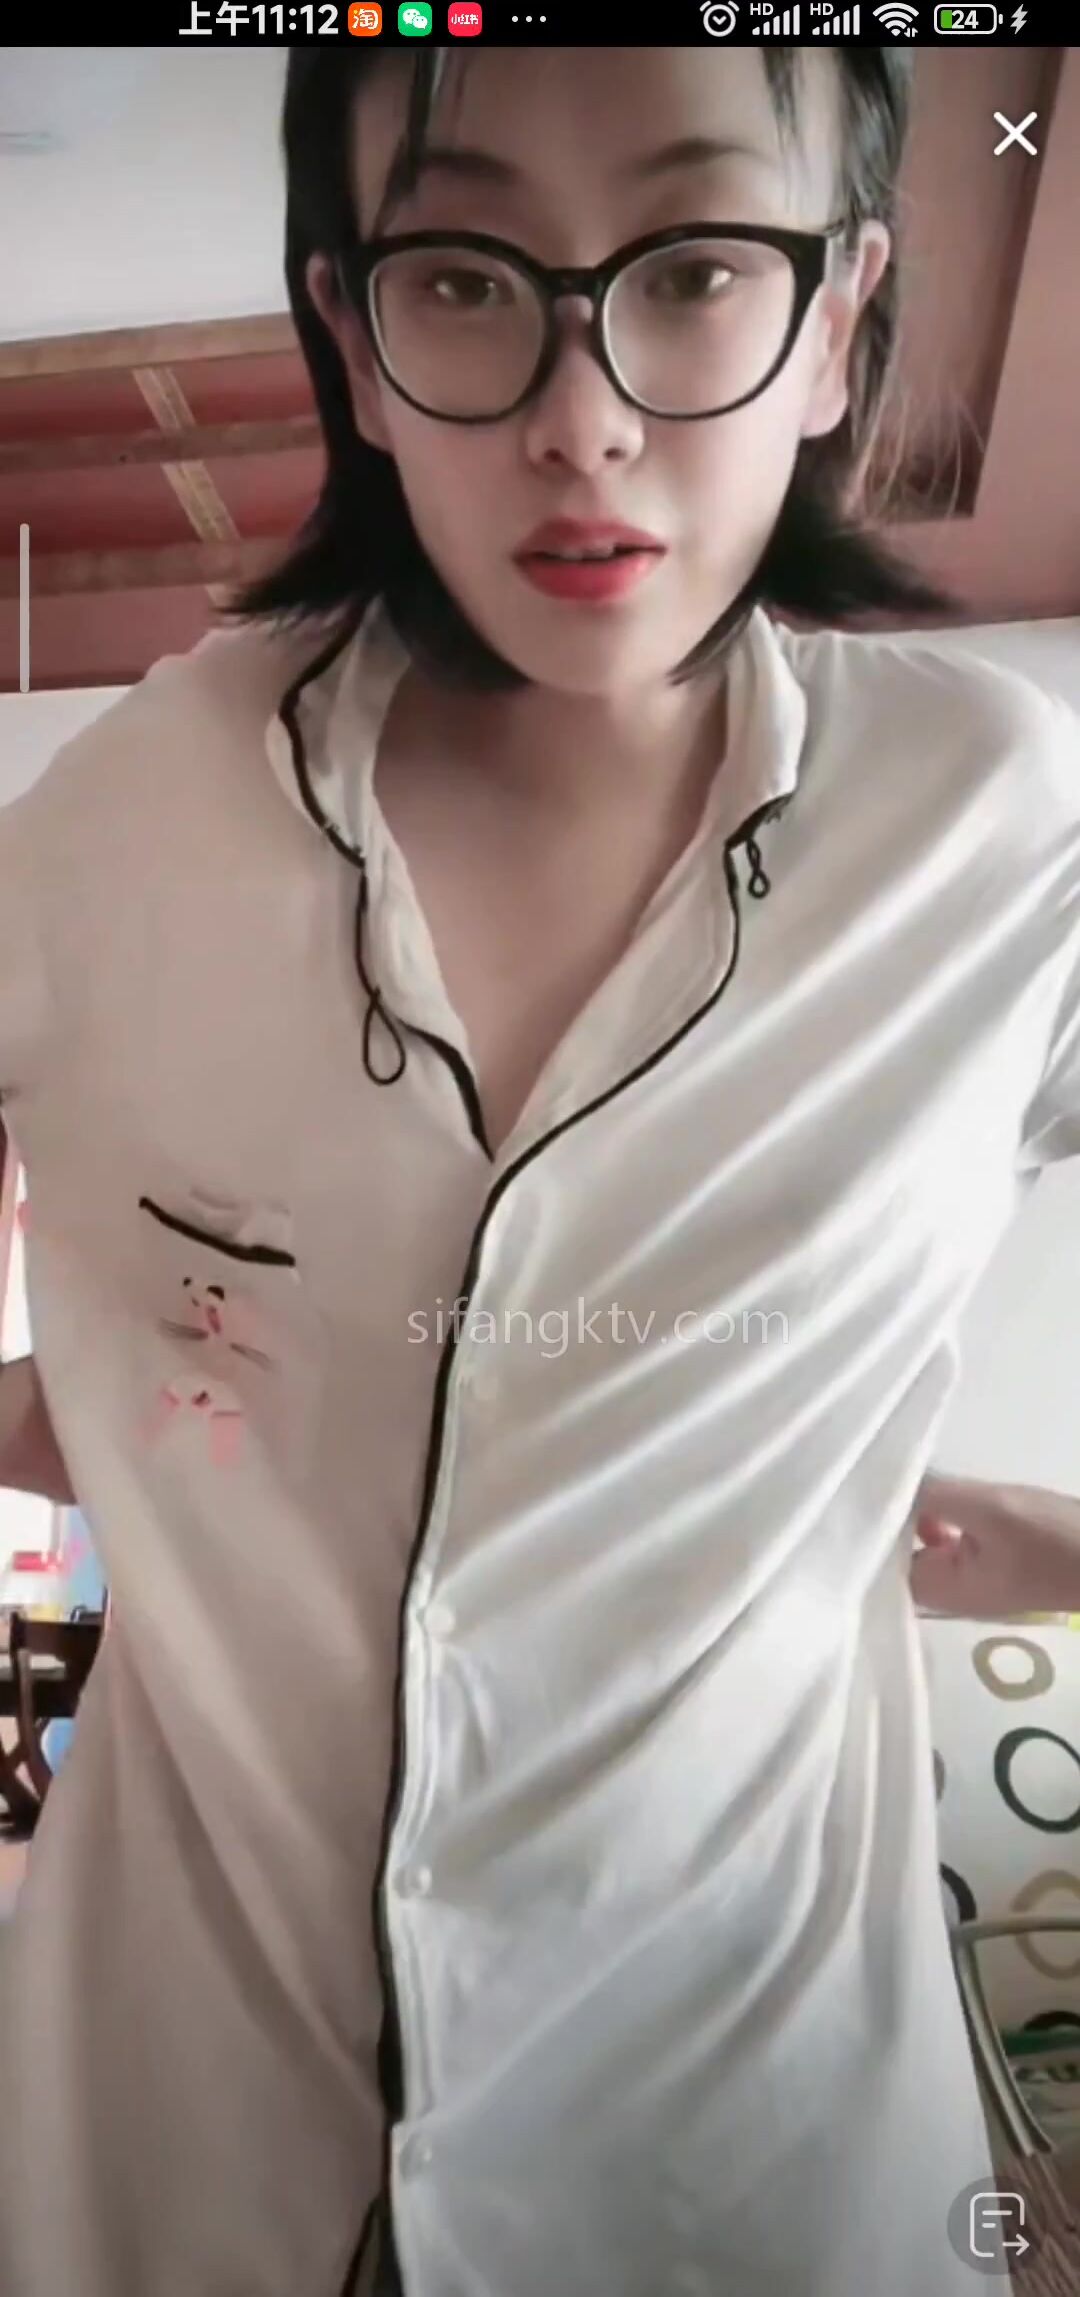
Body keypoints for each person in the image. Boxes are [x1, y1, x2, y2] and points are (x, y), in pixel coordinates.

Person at [1, 40, 1078, 2297]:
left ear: (840, 319)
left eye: (695, 270)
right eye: (468, 279)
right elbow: (226, 1360)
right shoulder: (125, 831)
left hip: (743, 2154)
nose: (583, 419)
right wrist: (133, 1397)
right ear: (352, 336)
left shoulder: (994, 840)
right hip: (191, 2129)